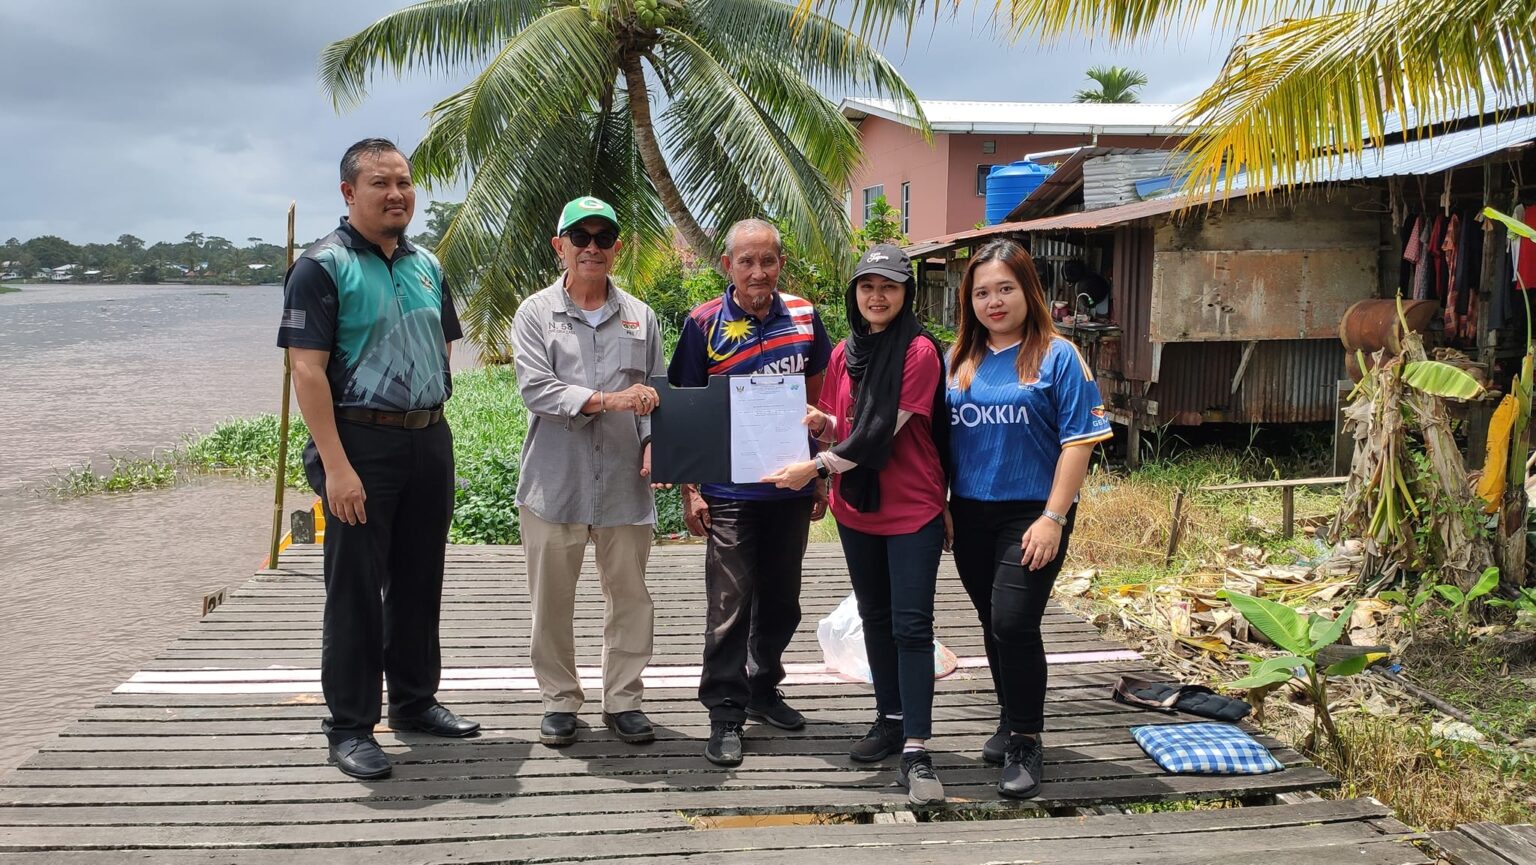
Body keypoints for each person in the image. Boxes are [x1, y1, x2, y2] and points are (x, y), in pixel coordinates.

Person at [277, 137, 479, 780]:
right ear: (349, 192)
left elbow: (443, 343)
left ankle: (415, 702)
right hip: (358, 444)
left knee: (420, 579)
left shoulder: (427, 264)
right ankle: (350, 725)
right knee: (357, 589)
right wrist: (336, 467)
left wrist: (426, 408)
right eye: (380, 184)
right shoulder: (321, 266)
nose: (397, 194)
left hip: (428, 438)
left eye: (404, 182)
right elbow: (306, 371)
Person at [762, 243, 950, 805]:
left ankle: (916, 747)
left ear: (906, 293)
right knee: (875, 618)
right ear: (855, 294)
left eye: (889, 286)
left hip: (911, 508)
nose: (877, 296)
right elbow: (844, 421)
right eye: (867, 286)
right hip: (858, 509)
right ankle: (889, 720)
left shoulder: (919, 352)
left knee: (911, 627)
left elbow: (874, 436)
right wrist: (819, 422)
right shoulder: (846, 351)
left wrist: (815, 467)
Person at [945, 239, 1112, 799]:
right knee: (993, 620)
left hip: (1033, 512)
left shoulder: (1058, 356)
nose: (993, 302)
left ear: (1028, 291)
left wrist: (1053, 517)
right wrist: (942, 504)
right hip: (970, 512)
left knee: (1014, 621)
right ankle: (1008, 714)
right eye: (982, 293)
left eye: (1005, 289)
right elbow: (938, 440)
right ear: (969, 300)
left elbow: (1079, 441)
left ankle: (1026, 738)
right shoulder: (957, 359)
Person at [667, 218, 832, 767]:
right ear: (727, 266)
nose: (758, 272)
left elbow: (815, 395)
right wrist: (691, 492)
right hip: (728, 490)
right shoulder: (703, 323)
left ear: (780, 263)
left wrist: (817, 473)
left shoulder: (804, 315)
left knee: (783, 602)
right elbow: (686, 409)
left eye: (767, 260)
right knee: (729, 605)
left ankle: (763, 687)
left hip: (789, 486)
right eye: (746, 261)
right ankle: (725, 712)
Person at [512, 195, 666, 748]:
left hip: (626, 482)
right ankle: (559, 699)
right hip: (555, 483)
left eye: (603, 238)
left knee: (630, 597)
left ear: (617, 249)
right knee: (551, 601)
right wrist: (611, 400)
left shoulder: (642, 316)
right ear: (561, 246)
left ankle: (623, 699)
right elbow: (537, 389)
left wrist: (654, 445)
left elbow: (656, 393)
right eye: (581, 237)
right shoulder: (534, 313)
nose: (592, 248)